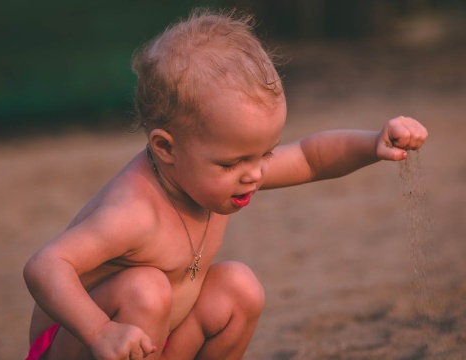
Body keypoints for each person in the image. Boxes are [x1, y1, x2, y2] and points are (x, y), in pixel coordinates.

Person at [23, 7, 428, 360]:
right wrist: (98, 330)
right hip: (84, 347)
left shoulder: (223, 175)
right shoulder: (134, 212)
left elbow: (309, 157)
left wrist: (373, 143)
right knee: (144, 288)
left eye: (264, 154)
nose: (253, 174)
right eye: (233, 162)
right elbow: (45, 265)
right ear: (166, 148)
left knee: (238, 287)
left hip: (152, 346)